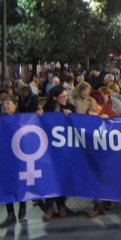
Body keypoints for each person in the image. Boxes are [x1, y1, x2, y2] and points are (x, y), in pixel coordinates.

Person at [40, 86, 75, 220]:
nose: (66, 98)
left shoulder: (70, 108)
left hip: (64, 150)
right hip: (49, 149)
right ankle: (49, 207)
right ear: (55, 98)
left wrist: (70, 117)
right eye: (63, 96)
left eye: (67, 96)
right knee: (49, 177)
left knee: (62, 177)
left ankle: (61, 204)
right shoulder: (46, 109)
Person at [0, 94, 27, 228]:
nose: (6, 106)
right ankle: (10, 214)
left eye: (9, 103)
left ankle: (23, 204)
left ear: (15, 105)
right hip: (5, 157)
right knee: (7, 184)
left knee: (20, 183)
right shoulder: (0, 120)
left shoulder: (23, 118)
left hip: (19, 157)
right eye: (4, 103)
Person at [87, 90, 117, 218]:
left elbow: (118, 127)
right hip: (92, 152)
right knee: (95, 178)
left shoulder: (109, 112)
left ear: (97, 102)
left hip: (106, 153)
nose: (88, 103)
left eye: (91, 101)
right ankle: (98, 204)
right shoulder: (86, 114)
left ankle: (107, 199)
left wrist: (108, 121)